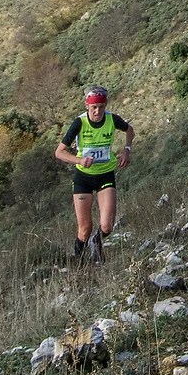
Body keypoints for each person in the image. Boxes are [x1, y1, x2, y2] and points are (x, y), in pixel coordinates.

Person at [54, 86, 131, 263]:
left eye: (101, 107)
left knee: (107, 226)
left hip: (105, 175)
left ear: (106, 105)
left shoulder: (112, 119)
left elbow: (130, 130)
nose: (97, 111)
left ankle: (96, 241)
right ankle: (78, 261)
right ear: (86, 105)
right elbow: (59, 152)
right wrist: (79, 160)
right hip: (83, 178)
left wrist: (127, 151)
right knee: (84, 228)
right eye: (93, 107)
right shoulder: (79, 123)